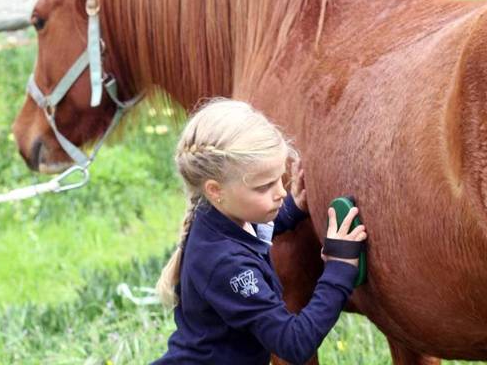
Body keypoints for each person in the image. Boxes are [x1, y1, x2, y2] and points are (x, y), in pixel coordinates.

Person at [152, 98, 367, 365]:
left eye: (279, 178)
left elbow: (253, 235)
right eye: (263, 187)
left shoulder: (219, 217)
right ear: (215, 190)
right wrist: (339, 269)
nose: (280, 192)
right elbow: (294, 343)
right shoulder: (226, 265)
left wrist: (290, 210)